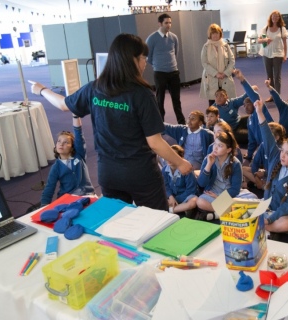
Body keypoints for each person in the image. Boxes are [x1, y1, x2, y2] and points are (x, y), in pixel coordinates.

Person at [29, 33, 192, 210]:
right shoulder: (142, 94)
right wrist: (180, 163)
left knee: (117, 222)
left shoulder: (95, 88)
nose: (145, 63)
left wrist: (42, 90)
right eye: (143, 58)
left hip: (108, 172)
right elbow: (154, 142)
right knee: (157, 222)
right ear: (132, 60)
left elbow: (62, 104)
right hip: (140, 172)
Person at [253, 96, 288, 235]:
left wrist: (271, 219)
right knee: (240, 204)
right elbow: (267, 135)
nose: (282, 155)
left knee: (287, 223)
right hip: (267, 208)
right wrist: (259, 112)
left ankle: (262, 228)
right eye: (282, 151)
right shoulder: (276, 159)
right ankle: (263, 228)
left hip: (286, 212)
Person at [40, 116, 95, 206]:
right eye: (59, 141)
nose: (61, 144)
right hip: (67, 199)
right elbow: (49, 189)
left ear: (72, 147)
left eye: (66, 142)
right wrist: (43, 207)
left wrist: (75, 115)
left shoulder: (79, 156)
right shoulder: (56, 167)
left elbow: (79, 134)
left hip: (86, 195)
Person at [146, 13, 186, 124]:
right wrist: (157, 65)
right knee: (160, 100)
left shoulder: (174, 37)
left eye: (170, 23)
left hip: (173, 72)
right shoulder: (152, 38)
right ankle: (160, 124)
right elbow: (148, 57)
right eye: (166, 23)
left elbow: (175, 53)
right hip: (160, 73)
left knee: (176, 100)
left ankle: (182, 123)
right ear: (160, 23)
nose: (169, 25)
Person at [197, 131, 243, 213]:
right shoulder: (208, 159)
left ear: (228, 150)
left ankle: (216, 213)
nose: (215, 148)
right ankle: (226, 211)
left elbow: (235, 189)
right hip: (212, 194)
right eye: (215, 144)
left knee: (251, 197)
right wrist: (209, 165)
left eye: (220, 146)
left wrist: (219, 197)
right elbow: (201, 183)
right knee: (200, 201)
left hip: (228, 196)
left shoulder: (235, 163)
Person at [200, 23, 236, 106]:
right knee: (213, 104)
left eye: (217, 33)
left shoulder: (225, 46)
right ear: (210, 35)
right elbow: (204, 63)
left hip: (225, 78)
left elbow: (232, 61)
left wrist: (226, 73)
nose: (215, 35)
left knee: (227, 102)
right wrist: (216, 74)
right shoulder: (206, 47)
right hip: (211, 78)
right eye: (213, 33)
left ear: (220, 34)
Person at [258, 10, 288, 102]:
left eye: (277, 16)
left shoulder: (282, 29)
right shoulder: (266, 28)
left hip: (278, 54)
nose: (275, 18)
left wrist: (285, 55)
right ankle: (272, 95)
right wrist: (265, 39)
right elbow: (259, 40)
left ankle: (277, 96)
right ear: (271, 18)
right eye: (273, 16)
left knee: (277, 76)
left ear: (279, 18)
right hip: (266, 53)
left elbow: (285, 43)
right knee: (269, 76)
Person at [162, 145, 198, 217]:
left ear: (180, 158)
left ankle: (171, 210)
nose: (169, 159)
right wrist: (171, 197)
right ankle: (179, 208)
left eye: (172, 157)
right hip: (171, 197)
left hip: (185, 196)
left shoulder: (187, 169)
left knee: (193, 202)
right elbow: (165, 186)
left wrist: (176, 199)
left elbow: (191, 190)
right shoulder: (164, 170)